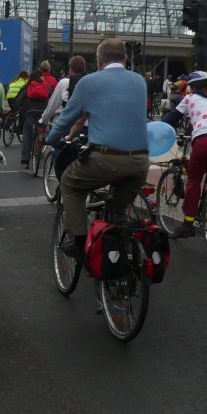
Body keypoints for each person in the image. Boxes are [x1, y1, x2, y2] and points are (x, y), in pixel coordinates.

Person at [46, 38, 149, 261]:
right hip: (141, 162)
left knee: (70, 184)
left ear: (99, 60)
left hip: (105, 160)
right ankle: (122, 242)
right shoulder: (139, 80)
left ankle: (79, 244)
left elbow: (66, 119)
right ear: (125, 58)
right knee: (117, 207)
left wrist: (51, 139)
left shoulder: (89, 82)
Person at [163, 71, 207, 237]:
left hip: (204, 140)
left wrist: (162, 128)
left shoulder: (189, 98)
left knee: (194, 181)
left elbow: (172, 118)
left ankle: (188, 224)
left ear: (193, 87)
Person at [40, 55, 87, 125]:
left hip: (66, 122)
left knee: (52, 134)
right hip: (84, 124)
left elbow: (52, 105)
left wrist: (43, 120)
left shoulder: (64, 82)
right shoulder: (89, 83)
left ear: (70, 69)